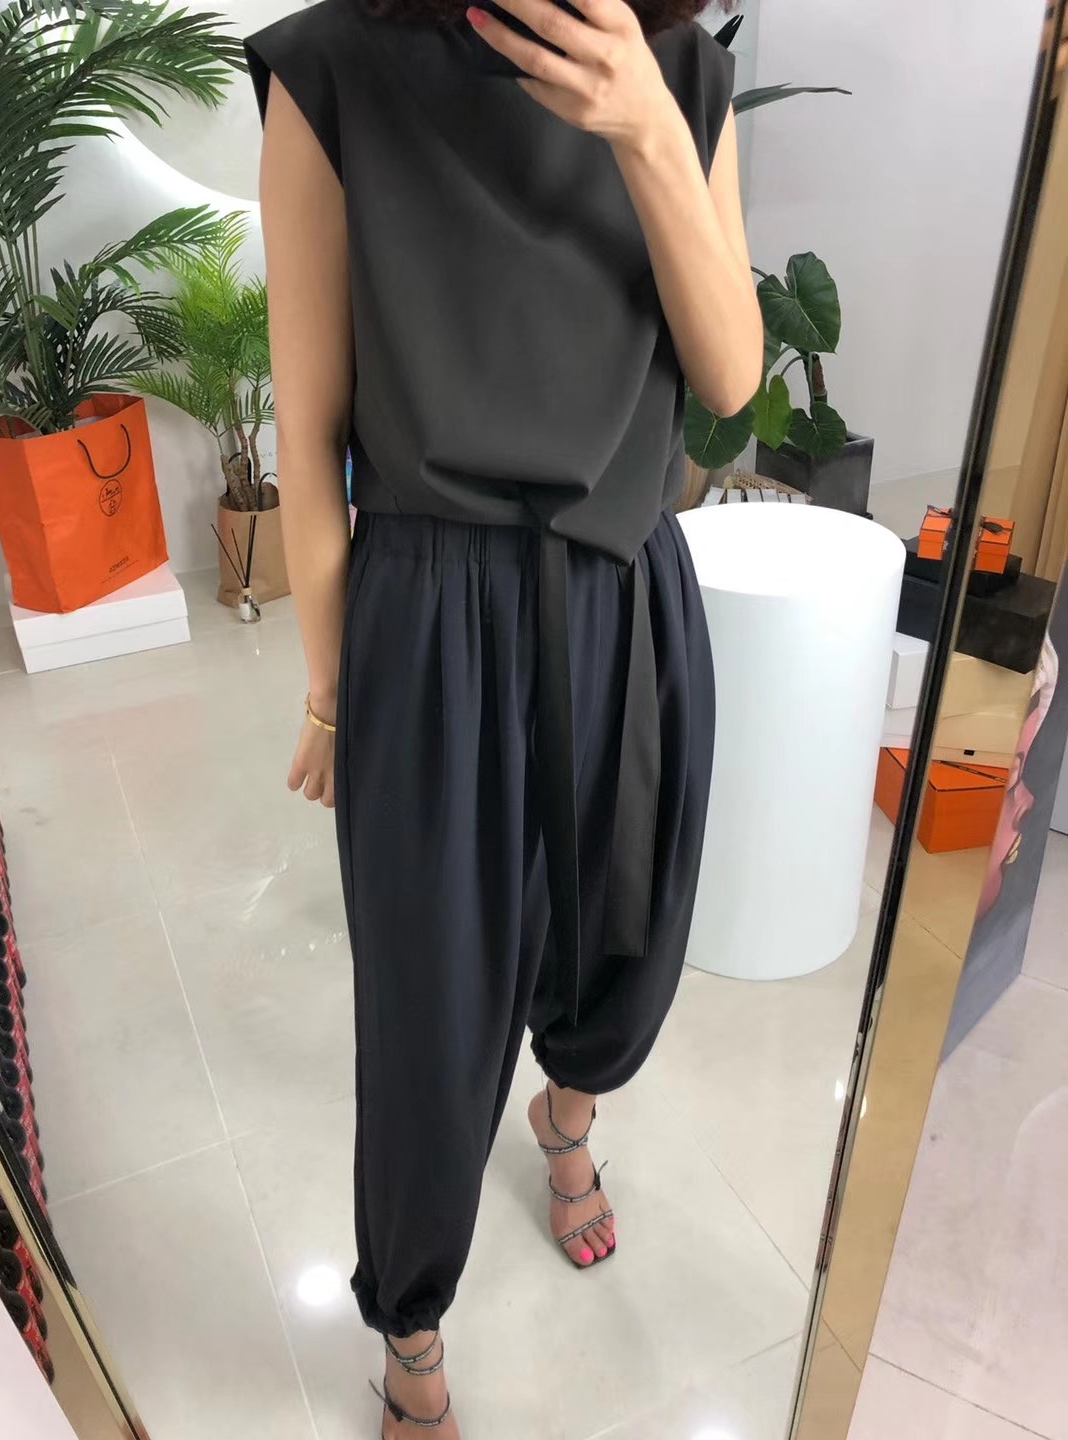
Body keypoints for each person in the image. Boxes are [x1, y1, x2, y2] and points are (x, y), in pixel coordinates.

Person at [245, 0, 761, 1430]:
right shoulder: (333, 70)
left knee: (625, 944)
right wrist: (334, 693)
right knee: (429, 1011)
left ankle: (568, 1114)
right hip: (430, 613)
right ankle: (411, 1329)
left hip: (625, 592)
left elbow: (728, 381)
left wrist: (647, 128)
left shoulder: (685, 74)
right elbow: (309, 432)